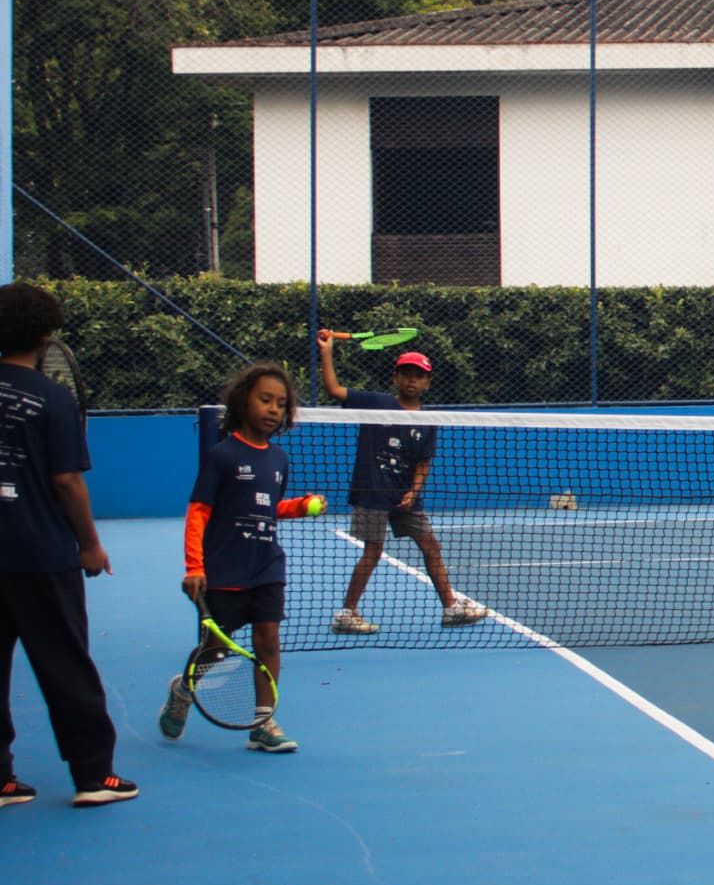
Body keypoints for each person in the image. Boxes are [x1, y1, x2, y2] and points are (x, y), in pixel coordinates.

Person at [0, 284, 133, 809]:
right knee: (65, 664)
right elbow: (66, 482)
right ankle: (94, 776)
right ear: (46, 336)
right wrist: (90, 545)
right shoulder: (52, 398)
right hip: (41, 556)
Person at [164, 364, 323, 754]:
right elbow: (199, 512)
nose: (273, 409)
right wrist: (194, 567)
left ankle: (263, 720)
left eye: (281, 404)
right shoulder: (222, 456)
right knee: (216, 649)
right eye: (265, 399)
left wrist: (299, 507)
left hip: (266, 564)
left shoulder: (279, 459)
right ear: (243, 401)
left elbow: (267, 508)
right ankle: (184, 689)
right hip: (224, 569)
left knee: (268, 638)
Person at [315, 332, 485, 634]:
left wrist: (413, 492)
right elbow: (334, 389)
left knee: (430, 545)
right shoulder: (375, 403)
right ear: (395, 378)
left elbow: (423, 463)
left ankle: (451, 607)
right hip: (372, 493)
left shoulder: (428, 422)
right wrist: (327, 352)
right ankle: (346, 613)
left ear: (427, 383)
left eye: (418, 376)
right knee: (373, 550)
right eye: (406, 374)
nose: (412, 380)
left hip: (405, 497)